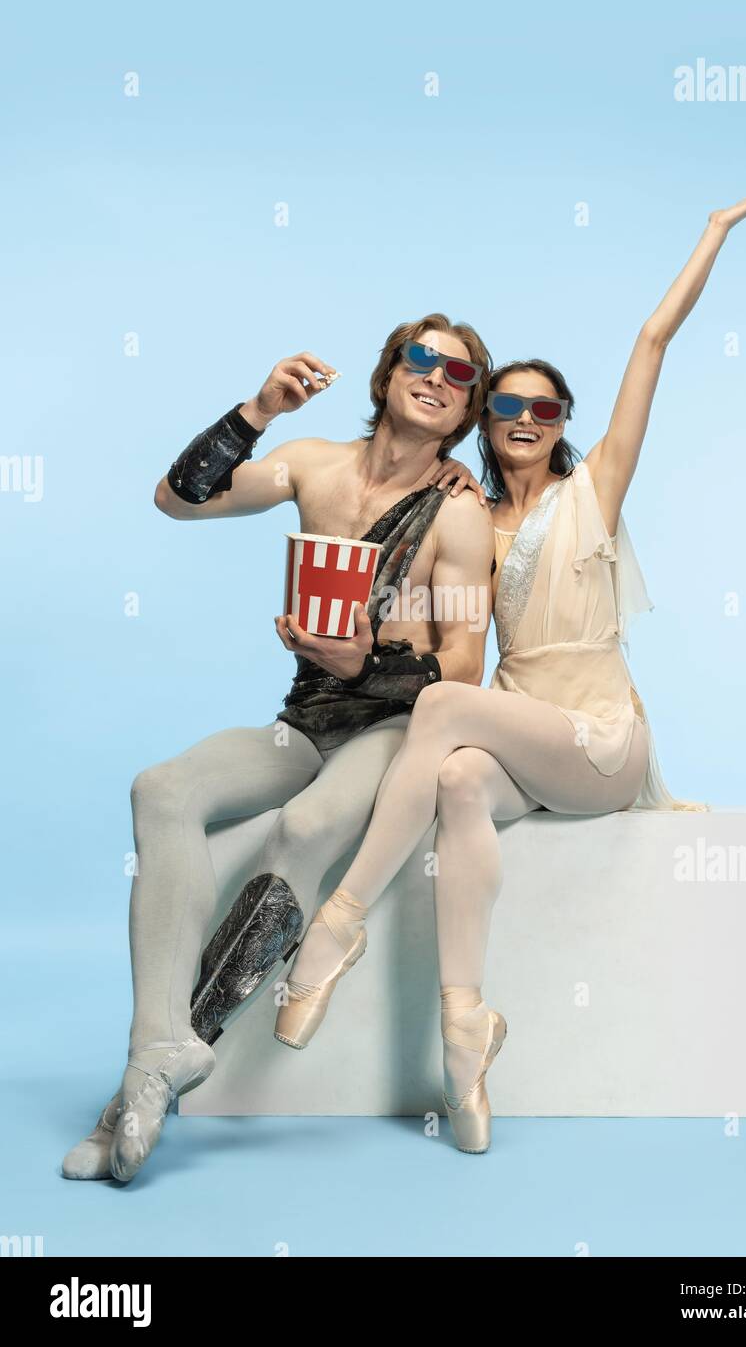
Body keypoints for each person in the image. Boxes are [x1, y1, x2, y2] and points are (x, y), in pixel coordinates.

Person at [271, 188, 746, 1153]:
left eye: (543, 407)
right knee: (459, 773)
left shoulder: (595, 489)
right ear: (483, 418)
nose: (523, 416)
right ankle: (465, 1037)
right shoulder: (464, 518)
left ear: (560, 424)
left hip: (598, 747)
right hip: (516, 737)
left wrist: (711, 232)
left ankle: (337, 923)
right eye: (504, 402)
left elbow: (652, 342)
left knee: (447, 710)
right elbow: (449, 632)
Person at [62, 314, 495, 1182]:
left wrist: (367, 654)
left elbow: (461, 671)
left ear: (466, 411)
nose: (437, 376)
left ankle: (140, 1094)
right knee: (163, 789)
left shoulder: (460, 512)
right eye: (422, 357)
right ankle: (159, 1049)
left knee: (303, 831)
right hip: (304, 720)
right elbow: (176, 499)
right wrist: (257, 411)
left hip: (393, 727)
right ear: (386, 375)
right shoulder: (313, 465)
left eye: (460, 374)